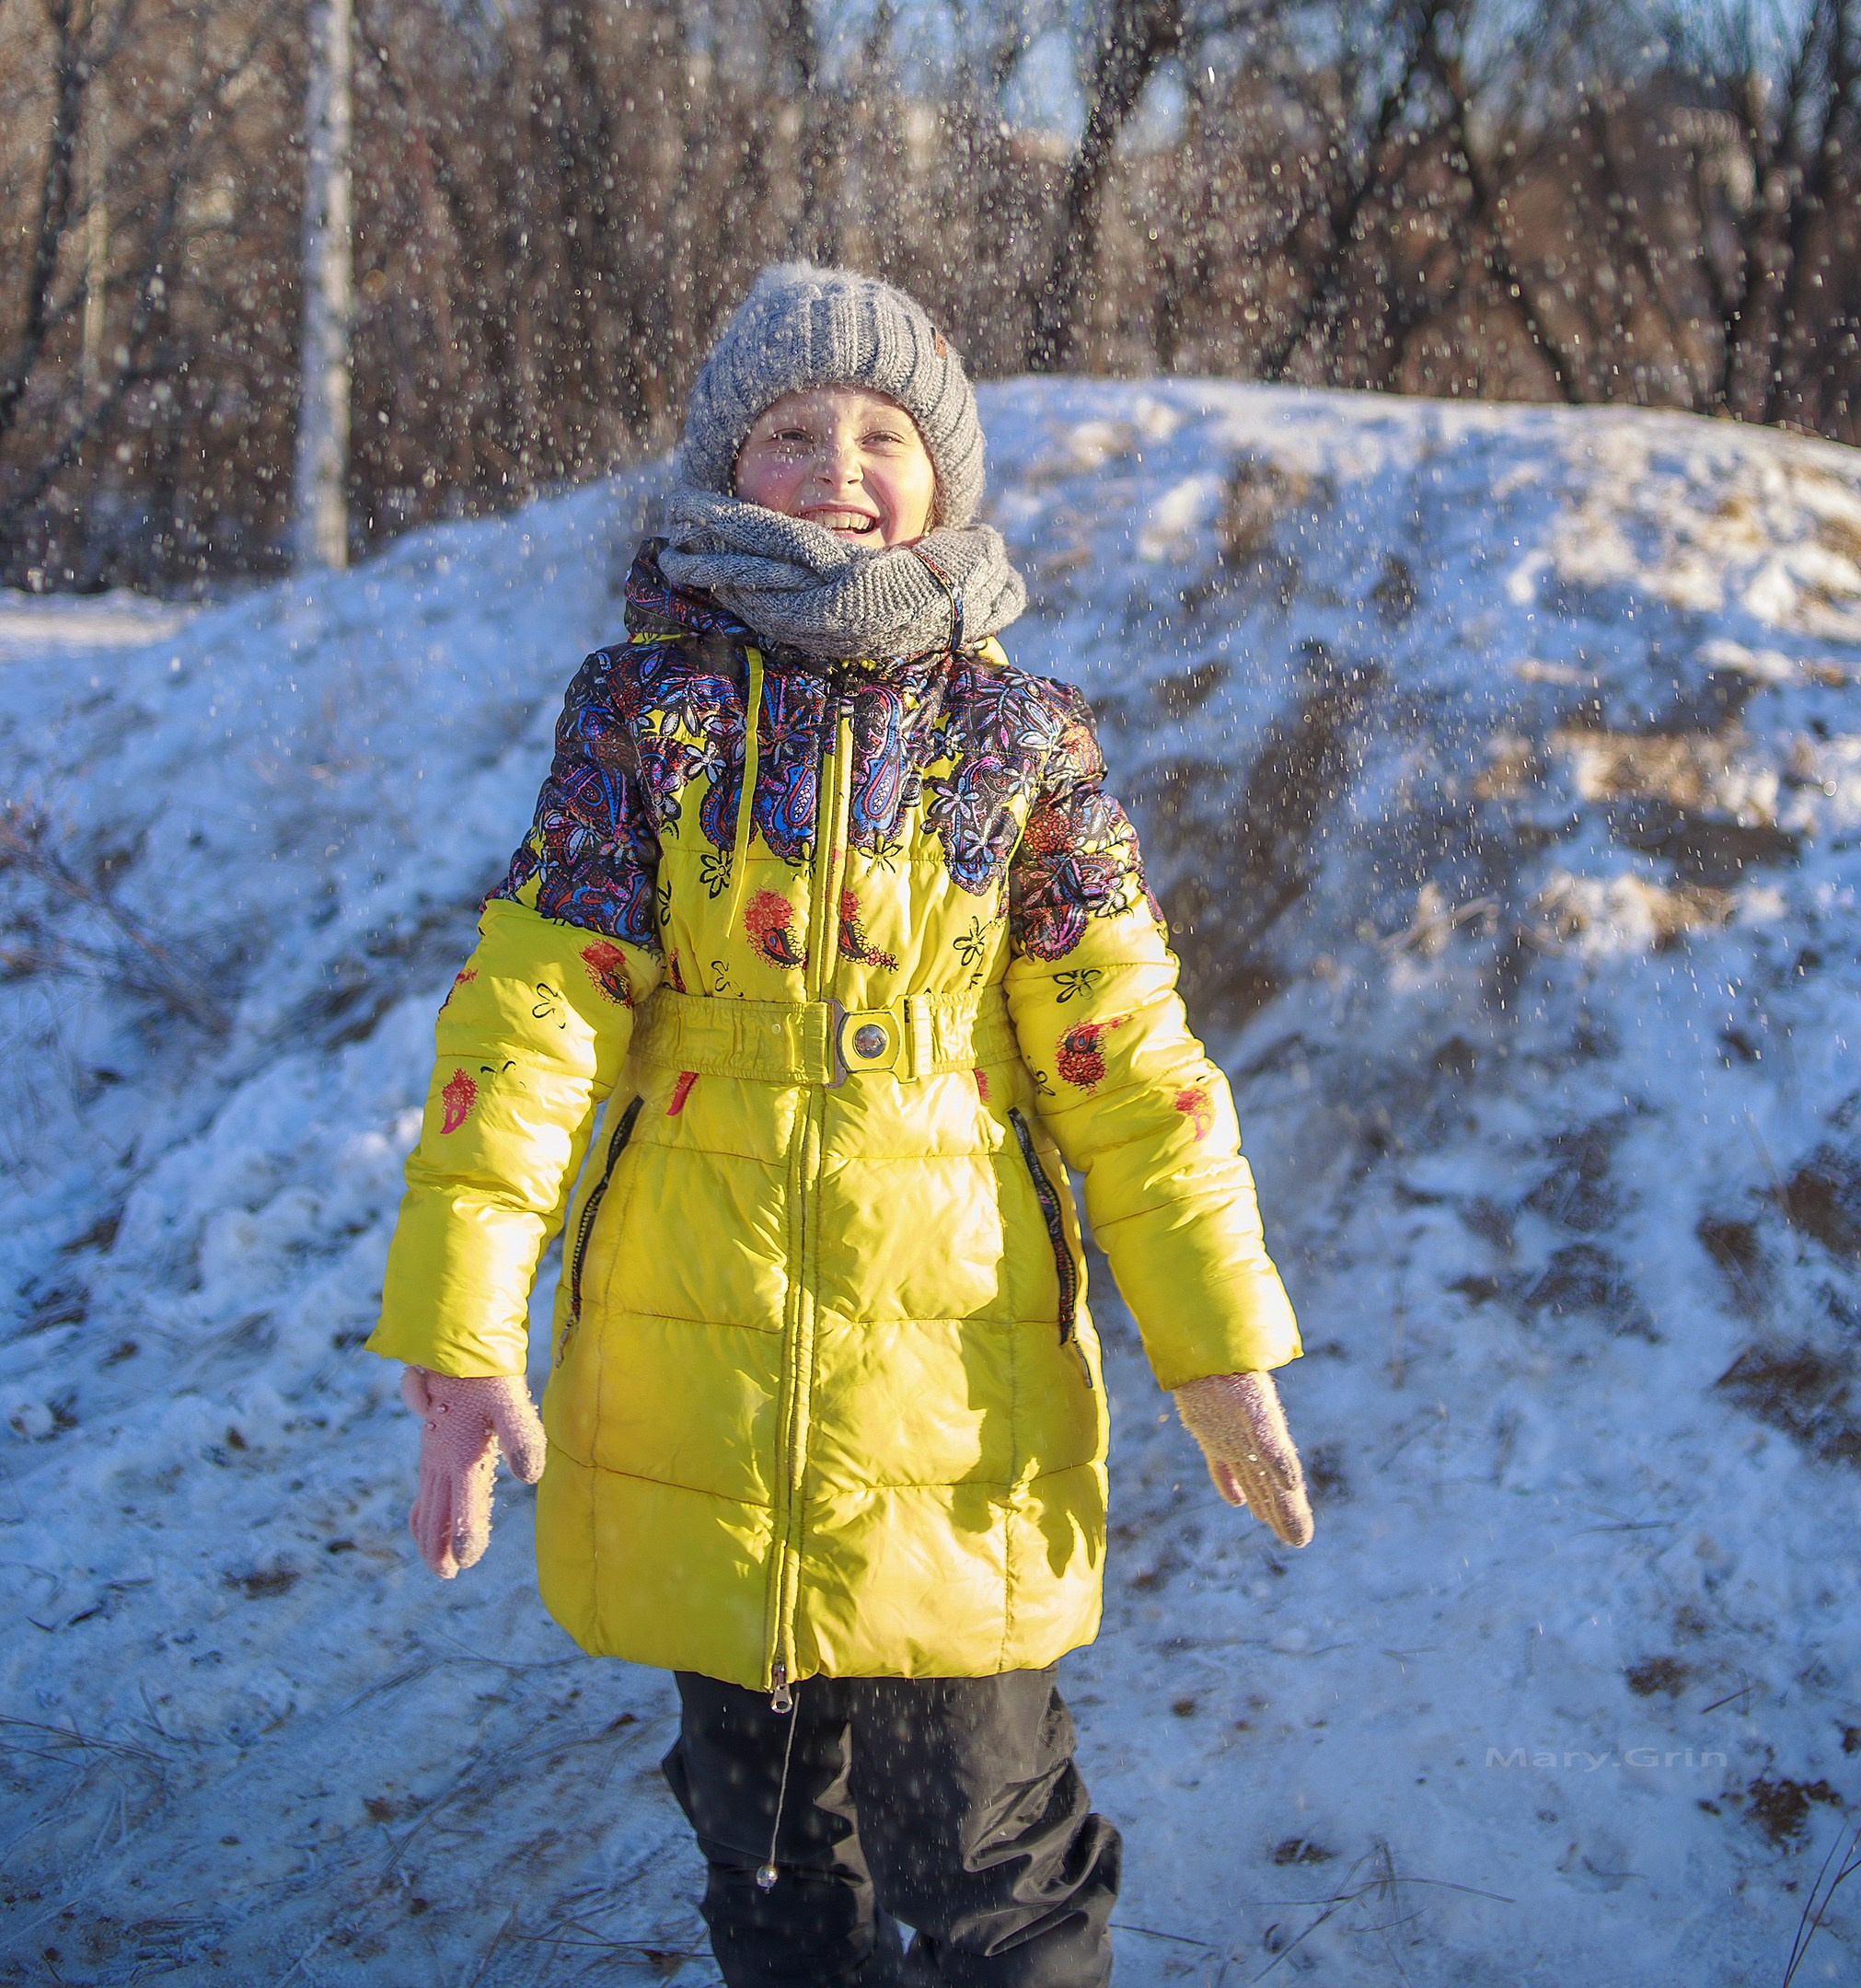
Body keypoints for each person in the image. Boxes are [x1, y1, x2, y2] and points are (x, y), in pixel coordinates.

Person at [368, 262, 1312, 1987]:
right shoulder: (638, 716)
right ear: (726, 472)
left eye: (884, 429)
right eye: (790, 430)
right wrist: (456, 1329)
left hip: (958, 1406)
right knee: (773, 1874)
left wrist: (1215, 1343)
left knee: (993, 1868)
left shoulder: (1018, 742)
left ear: (945, 471)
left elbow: (1130, 1057)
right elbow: (526, 1016)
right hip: (697, 1399)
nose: (839, 462)